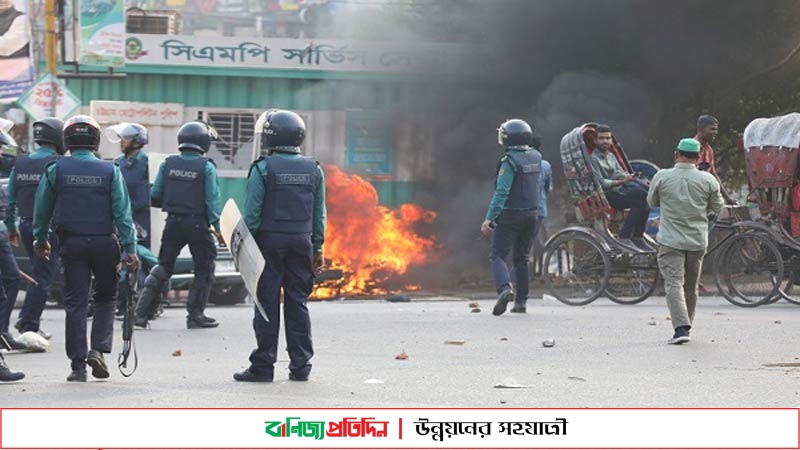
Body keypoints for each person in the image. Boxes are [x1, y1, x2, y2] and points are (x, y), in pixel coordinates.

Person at [32, 115, 139, 381]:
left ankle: (77, 367)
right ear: (95, 140)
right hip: (105, 243)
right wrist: (130, 249)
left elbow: (42, 209)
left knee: (76, 303)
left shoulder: (56, 169)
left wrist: (40, 239)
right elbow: (123, 215)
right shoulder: (110, 170)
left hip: (72, 245)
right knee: (105, 298)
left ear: (67, 139)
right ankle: (98, 351)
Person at [234, 109, 326, 383]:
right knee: (298, 303)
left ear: (270, 137)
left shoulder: (262, 168)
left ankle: (263, 367)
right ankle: (301, 367)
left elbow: (252, 214)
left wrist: (243, 248)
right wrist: (318, 247)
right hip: (302, 242)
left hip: (268, 244)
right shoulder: (314, 169)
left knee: (266, 305)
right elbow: (319, 214)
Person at [134, 121, 222, 330]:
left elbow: (155, 195)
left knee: (164, 266)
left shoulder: (168, 164)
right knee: (204, 268)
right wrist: (218, 228)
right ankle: (195, 315)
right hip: (198, 224)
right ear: (204, 142)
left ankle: (140, 314)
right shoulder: (206, 167)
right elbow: (212, 200)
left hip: (173, 222)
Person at [647, 138, 723, 345]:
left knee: (673, 283)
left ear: (676, 154)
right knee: (691, 286)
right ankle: (686, 326)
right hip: (697, 241)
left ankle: (681, 329)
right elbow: (718, 208)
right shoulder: (708, 180)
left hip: (670, 241)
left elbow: (652, 201)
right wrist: (701, 210)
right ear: (698, 158)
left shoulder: (662, 177)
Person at [6, 118, 64, 342]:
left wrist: (12, 227)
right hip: (49, 229)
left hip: (25, 226)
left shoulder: (20, 163)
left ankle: (27, 318)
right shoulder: (59, 163)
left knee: (37, 273)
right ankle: (29, 322)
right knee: (43, 277)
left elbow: (11, 199)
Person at [481, 119, 541, 316]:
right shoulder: (536, 156)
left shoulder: (509, 162)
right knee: (521, 258)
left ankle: (504, 289)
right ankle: (521, 303)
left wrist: (489, 218)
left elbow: (502, 192)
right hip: (532, 214)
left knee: (497, 255)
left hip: (511, 215)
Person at [590, 124, 653, 251]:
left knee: (647, 199)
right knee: (639, 203)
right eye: (601, 138)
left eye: (608, 138)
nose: (605, 141)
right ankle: (624, 237)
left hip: (621, 189)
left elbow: (620, 173)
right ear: (595, 141)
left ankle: (637, 237)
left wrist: (633, 178)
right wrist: (622, 181)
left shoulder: (612, 156)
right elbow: (601, 183)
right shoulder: (593, 159)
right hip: (607, 194)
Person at [0, 125, 21, 351]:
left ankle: (3, 332)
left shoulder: (7, 163)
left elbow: (16, 156)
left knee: (13, 278)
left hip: (2, 230)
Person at [694, 115, 735, 205]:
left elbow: (713, 175)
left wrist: (728, 199)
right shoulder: (690, 147)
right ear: (701, 129)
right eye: (712, 129)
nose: (715, 132)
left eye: (716, 129)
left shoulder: (709, 150)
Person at [530, 134, 552, 277]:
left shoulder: (519, 163)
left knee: (528, 241)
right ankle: (537, 271)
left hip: (523, 209)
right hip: (540, 209)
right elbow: (549, 188)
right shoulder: (545, 165)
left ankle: (530, 273)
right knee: (536, 238)